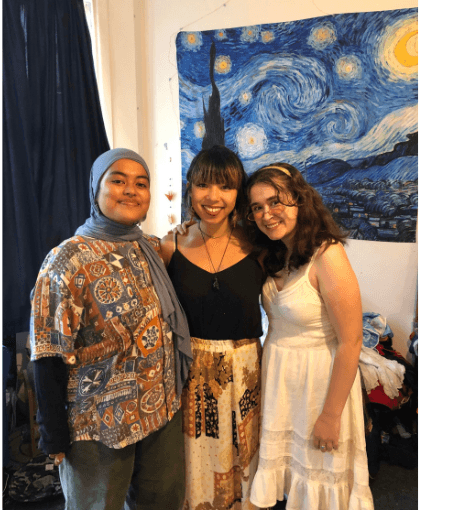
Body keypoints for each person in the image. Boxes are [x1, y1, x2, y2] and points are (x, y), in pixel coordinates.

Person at [28, 148, 193, 510]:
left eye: (141, 183)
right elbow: (47, 351)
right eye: (118, 180)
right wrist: (52, 433)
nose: (130, 190)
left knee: (164, 502)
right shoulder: (66, 260)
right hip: (97, 425)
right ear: (96, 190)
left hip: (160, 409)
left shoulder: (149, 248)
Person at [244, 163, 374, 510]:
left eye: (276, 202)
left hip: (320, 386)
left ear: (299, 200)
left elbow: (351, 342)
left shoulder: (328, 254)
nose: (267, 214)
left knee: (320, 484)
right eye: (257, 207)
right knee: (289, 485)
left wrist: (330, 416)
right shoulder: (275, 254)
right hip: (282, 382)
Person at [160, 145, 265, 510]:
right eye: (204, 185)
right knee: (196, 467)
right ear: (190, 189)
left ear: (239, 193)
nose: (214, 197)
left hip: (248, 371)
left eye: (225, 186)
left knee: (248, 460)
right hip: (193, 373)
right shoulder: (170, 245)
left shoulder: (259, 246)